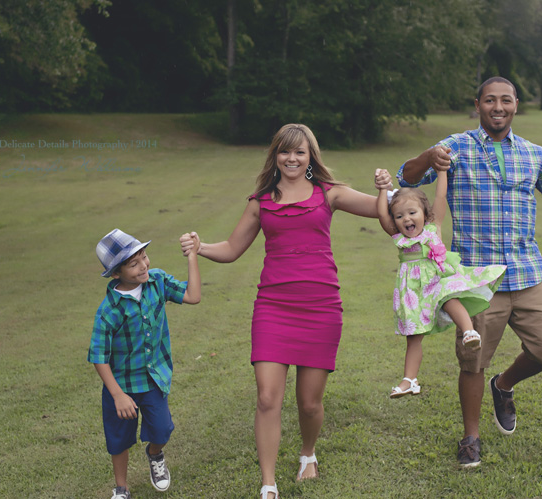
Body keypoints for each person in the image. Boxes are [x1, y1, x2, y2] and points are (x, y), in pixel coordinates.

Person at [398, 76, 542, 468]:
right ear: (478, 104)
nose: (497, 107)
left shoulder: (535, 155)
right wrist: (428, 157)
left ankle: (503, 385)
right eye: (489, 100)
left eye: (505, 100)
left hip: (528, 273)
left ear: (516, 104)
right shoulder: (456, 147)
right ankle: (471, 437)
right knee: (472, 361)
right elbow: (407, 179)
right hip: (478, 281)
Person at [180, 124, 389, 499]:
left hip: (321, 306)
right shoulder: (261, 201)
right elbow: (231, 248)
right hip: (273, 307)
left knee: (309, 403)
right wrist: (200, 246)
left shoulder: (330, 194)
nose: (292, 159)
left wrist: (383, 188)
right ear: (275, 156)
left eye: (300, 152)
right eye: (285, 152)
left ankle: (308, 453)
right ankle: (268, 483)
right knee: (266, 397)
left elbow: (379, 211)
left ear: (311, 158)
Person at [88, 228, 201, 498]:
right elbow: (99, 357)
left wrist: (192, 257)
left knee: (162, 429)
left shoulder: (157, 281)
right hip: (121, 387)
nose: (143, 265)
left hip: (153, 380)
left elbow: (193, 296)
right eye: (133, 263)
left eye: (144, 256)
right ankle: (121, 488)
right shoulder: (109, 310)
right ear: (117, 273)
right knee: (119, 440)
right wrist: (117, 395)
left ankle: (154, 454)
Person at [374, 168, 505, 398]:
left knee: (448, 296)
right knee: (413, 337)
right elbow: (382, 216)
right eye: (400, 216)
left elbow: (440, 197)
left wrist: (442, 171)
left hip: (438, 282)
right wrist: (382, 190)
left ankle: (469, 331)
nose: (407, 219)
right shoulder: (401, 239)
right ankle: (410, 379)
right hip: (413, 293)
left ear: (425, 214)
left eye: (412, 212)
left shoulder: (434, 229)